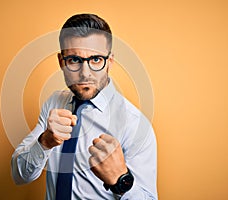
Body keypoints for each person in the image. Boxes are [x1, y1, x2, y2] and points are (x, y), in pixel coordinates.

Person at [11, 13, 158, 200]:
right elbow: (19, 176)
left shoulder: (135, 124)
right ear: (61, 62)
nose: (85, 73)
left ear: (109, 62)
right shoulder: (55, 102)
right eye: (74, 60)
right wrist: (45, 142)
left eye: (96, 59)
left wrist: (120, 180)